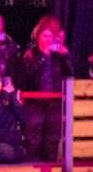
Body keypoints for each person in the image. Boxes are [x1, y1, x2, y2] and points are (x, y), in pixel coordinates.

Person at [16, 15, 73, 162]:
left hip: (54, 100)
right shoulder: (30, 55)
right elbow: (27, 76)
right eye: (44, 36)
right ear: (38, 37)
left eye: (50, 36)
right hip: (34, 101)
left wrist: (66, 57)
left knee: (52, 135)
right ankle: (31, 163)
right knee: (33, 133)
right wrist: (42, 57)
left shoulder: (58, 56)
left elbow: (69, 75)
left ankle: (50, 164)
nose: (47, 39)